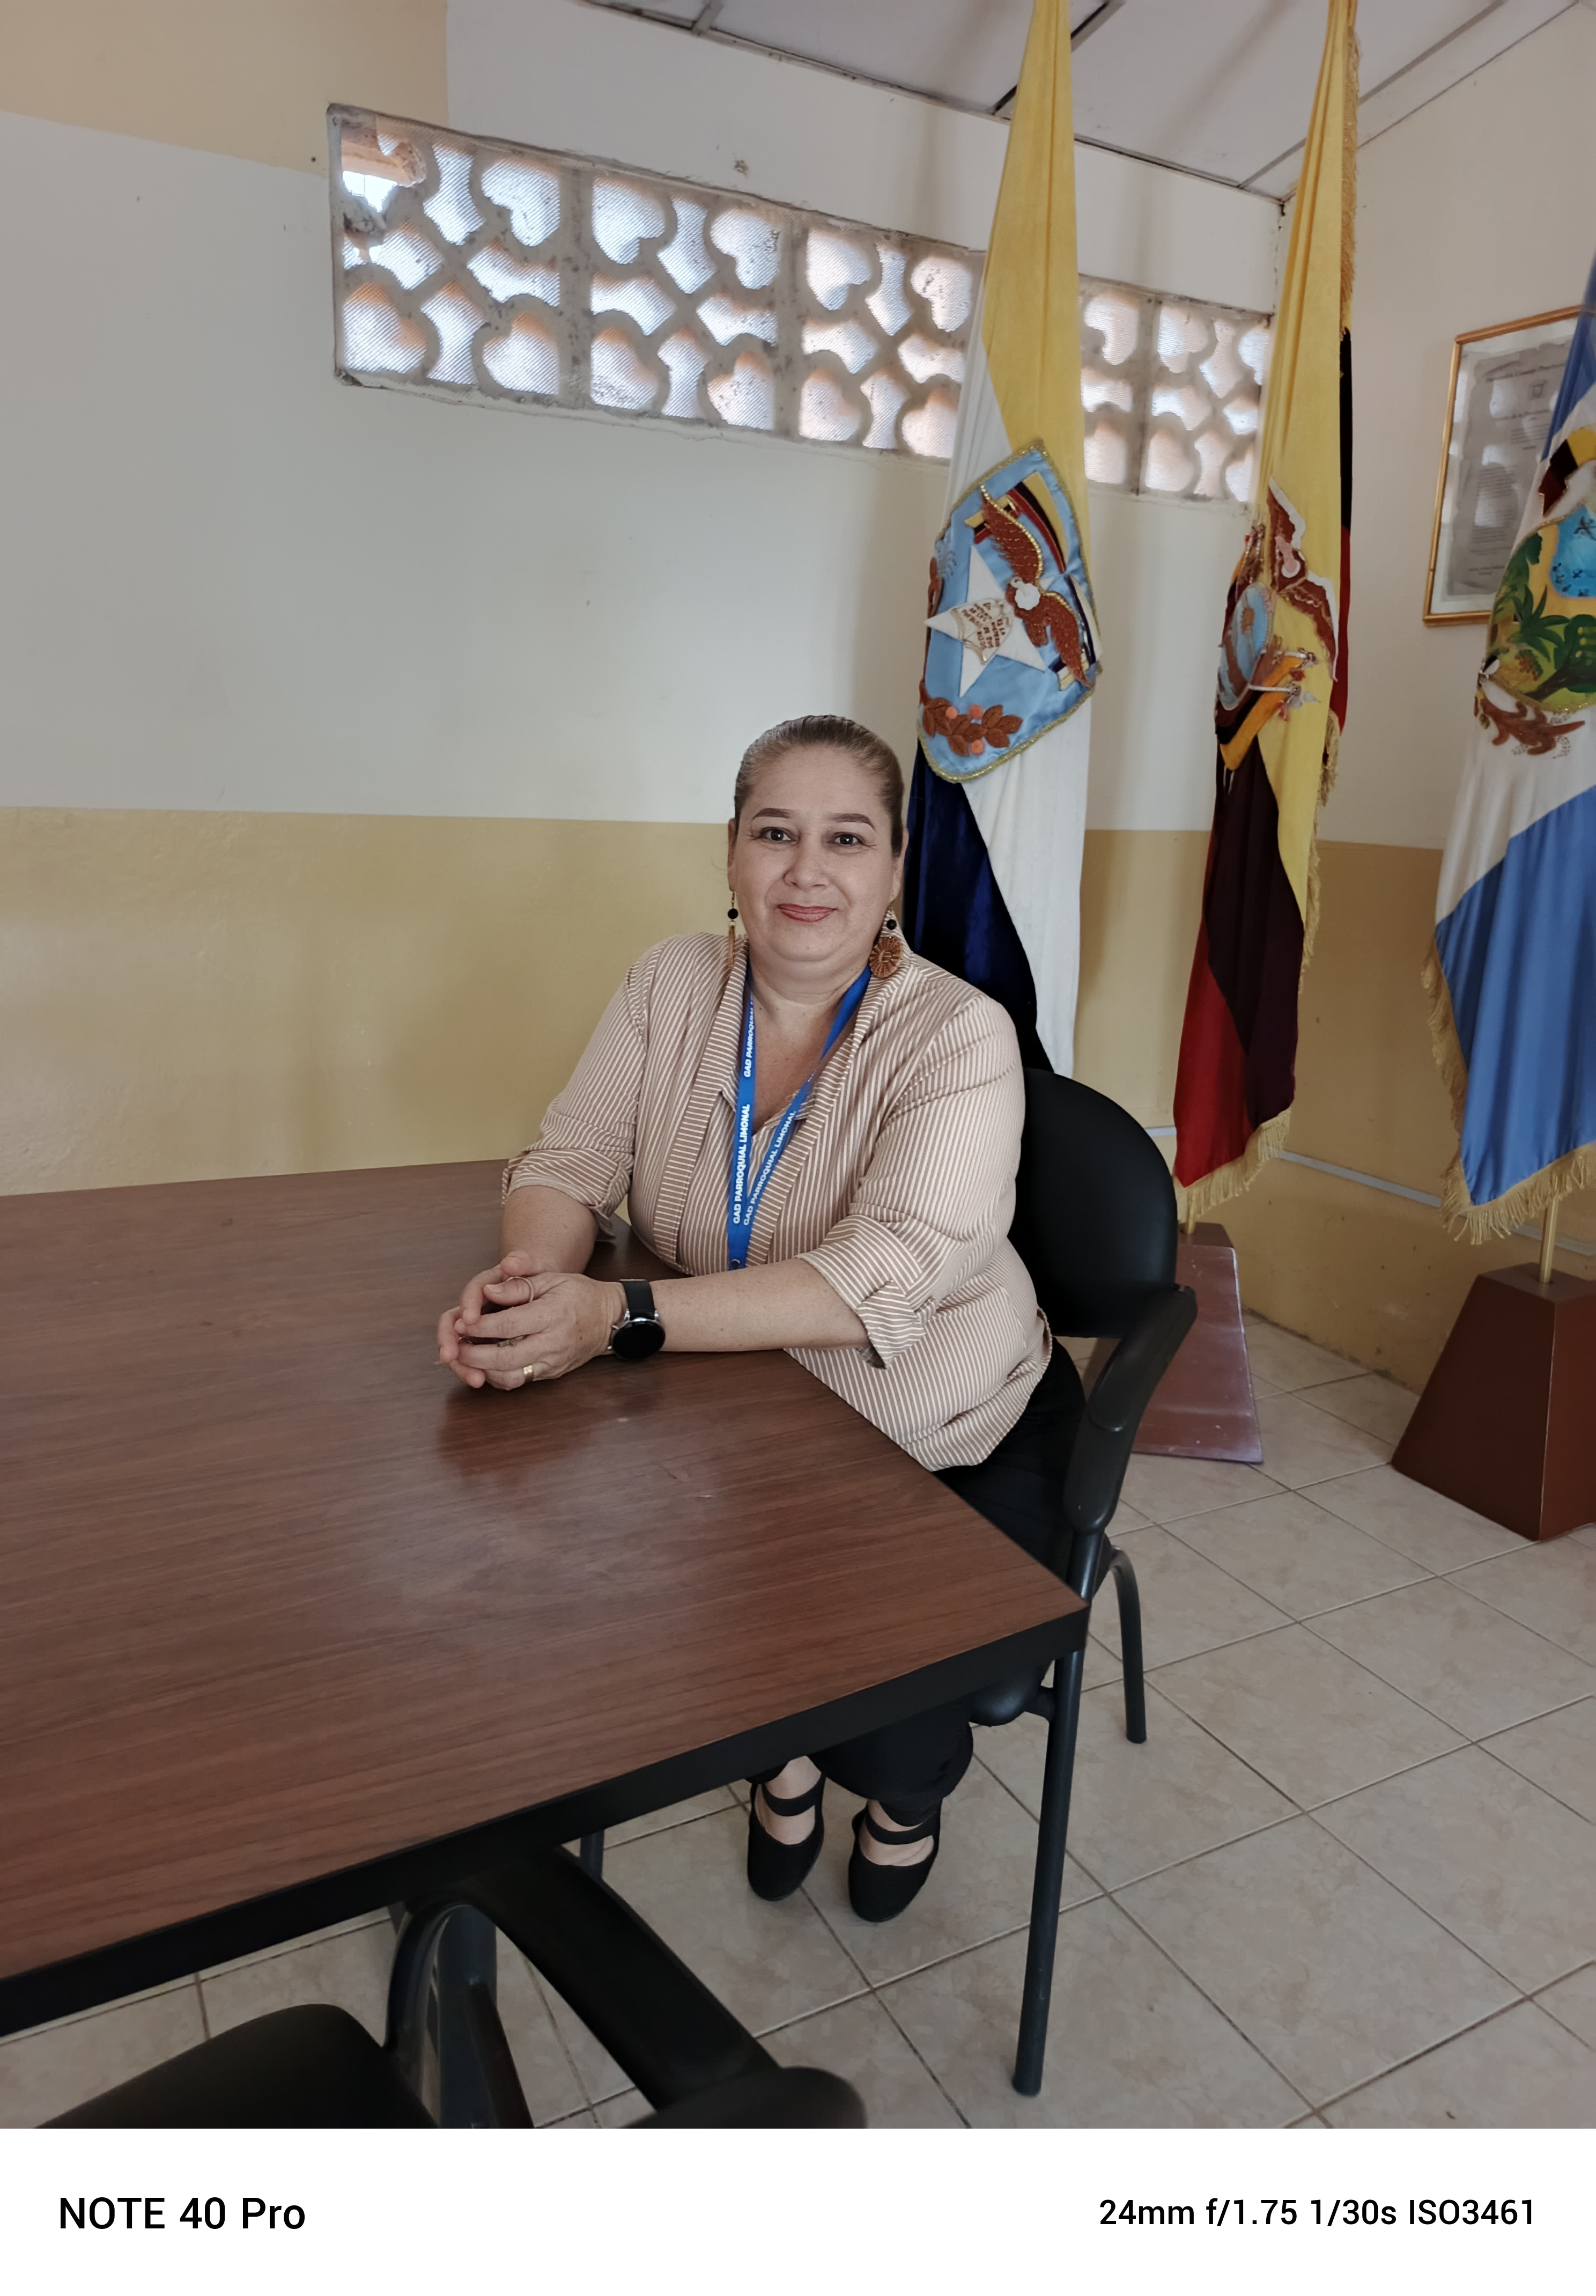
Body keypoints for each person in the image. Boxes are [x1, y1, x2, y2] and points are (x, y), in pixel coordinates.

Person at [437, 714, 1083, 1923]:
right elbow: (570, 1159)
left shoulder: (960, 1033)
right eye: (776, 833)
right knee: (667, 1629)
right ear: (731, 851)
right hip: (730, 1410)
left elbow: (889, 1273)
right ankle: (777, 1761)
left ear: (894, 869)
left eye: (848, 838)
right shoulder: (670, 981)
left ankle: (902, 1804)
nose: (807, 870)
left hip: (939, 1423)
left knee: (882, 1733)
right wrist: (533, 1288)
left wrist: (613, 1316)